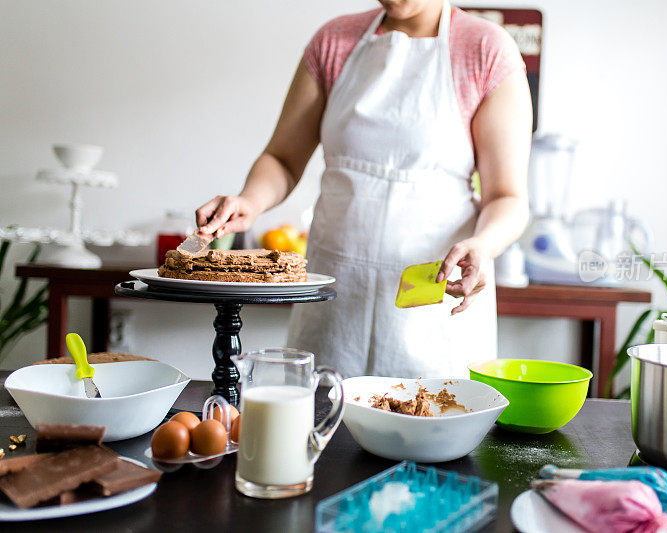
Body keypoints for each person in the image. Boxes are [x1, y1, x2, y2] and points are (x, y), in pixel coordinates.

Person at [195, 0, 532, 378]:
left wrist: (484, 245)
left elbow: (507, 196)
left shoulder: (485, 49)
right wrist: (250, 200)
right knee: (325, 421)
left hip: (433, 307)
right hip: (336, 299)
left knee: (426, 413)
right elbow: (283, 158)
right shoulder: (334, 41)